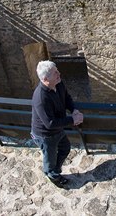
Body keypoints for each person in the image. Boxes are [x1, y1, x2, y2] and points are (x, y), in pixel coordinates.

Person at [31, 60, 84, 188]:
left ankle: (55, 170)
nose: (59, 73)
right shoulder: (41, 98)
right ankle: (53, 176)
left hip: (57, 129)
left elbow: (67, 98)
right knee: (49, 159)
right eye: (55, 73)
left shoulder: (58, 84)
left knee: (65, 148)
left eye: (57, 70)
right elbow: (49, 123)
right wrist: (73, 120)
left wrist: (74, 109)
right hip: (45, 135)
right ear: (45, 79)